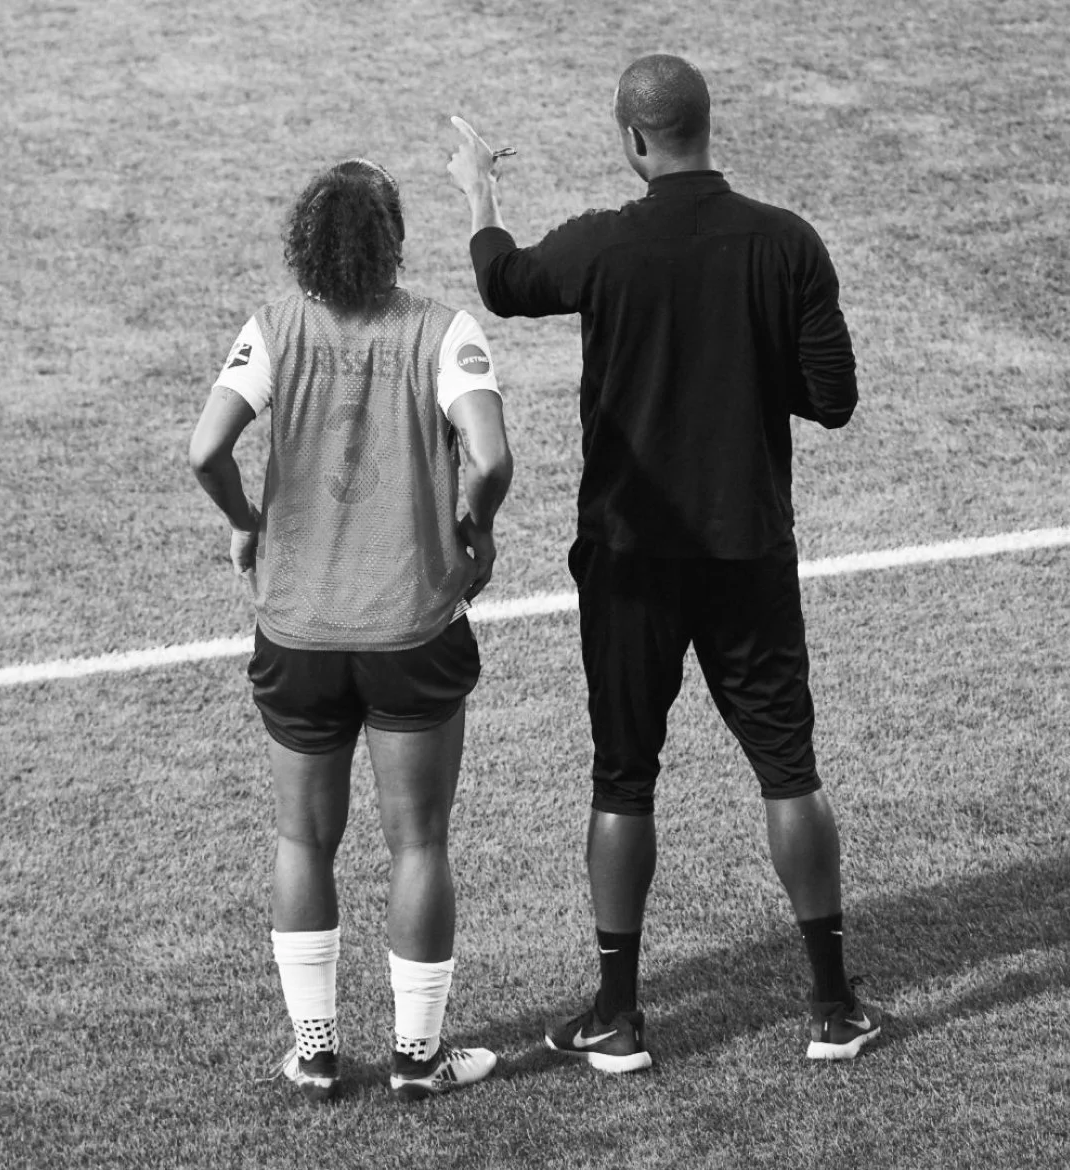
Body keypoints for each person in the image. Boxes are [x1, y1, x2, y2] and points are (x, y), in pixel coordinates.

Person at [447, 54, 879, 1073]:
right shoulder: (787, 244)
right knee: (789, 768)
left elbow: (504, 284)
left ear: (634, 140)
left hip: (629, 560)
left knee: (623, 776)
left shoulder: (607, 244)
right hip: (747, 555)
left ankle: (618, 1015)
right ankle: (830, 1004)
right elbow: (833, 397)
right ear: (706, 128)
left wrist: (479, 191)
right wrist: (739, 361)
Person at [189, 158, 513, 1102]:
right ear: (392, 239)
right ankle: (418, 1059)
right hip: (412, 628)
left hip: (296, 635)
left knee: (303, 841)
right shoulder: (443, 331)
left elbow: (204, 449)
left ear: (308, 240)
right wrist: (476, 529)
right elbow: (489, 457)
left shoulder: (273, 329)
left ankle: (318, 1052)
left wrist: (244, 520)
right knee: (420, 845)